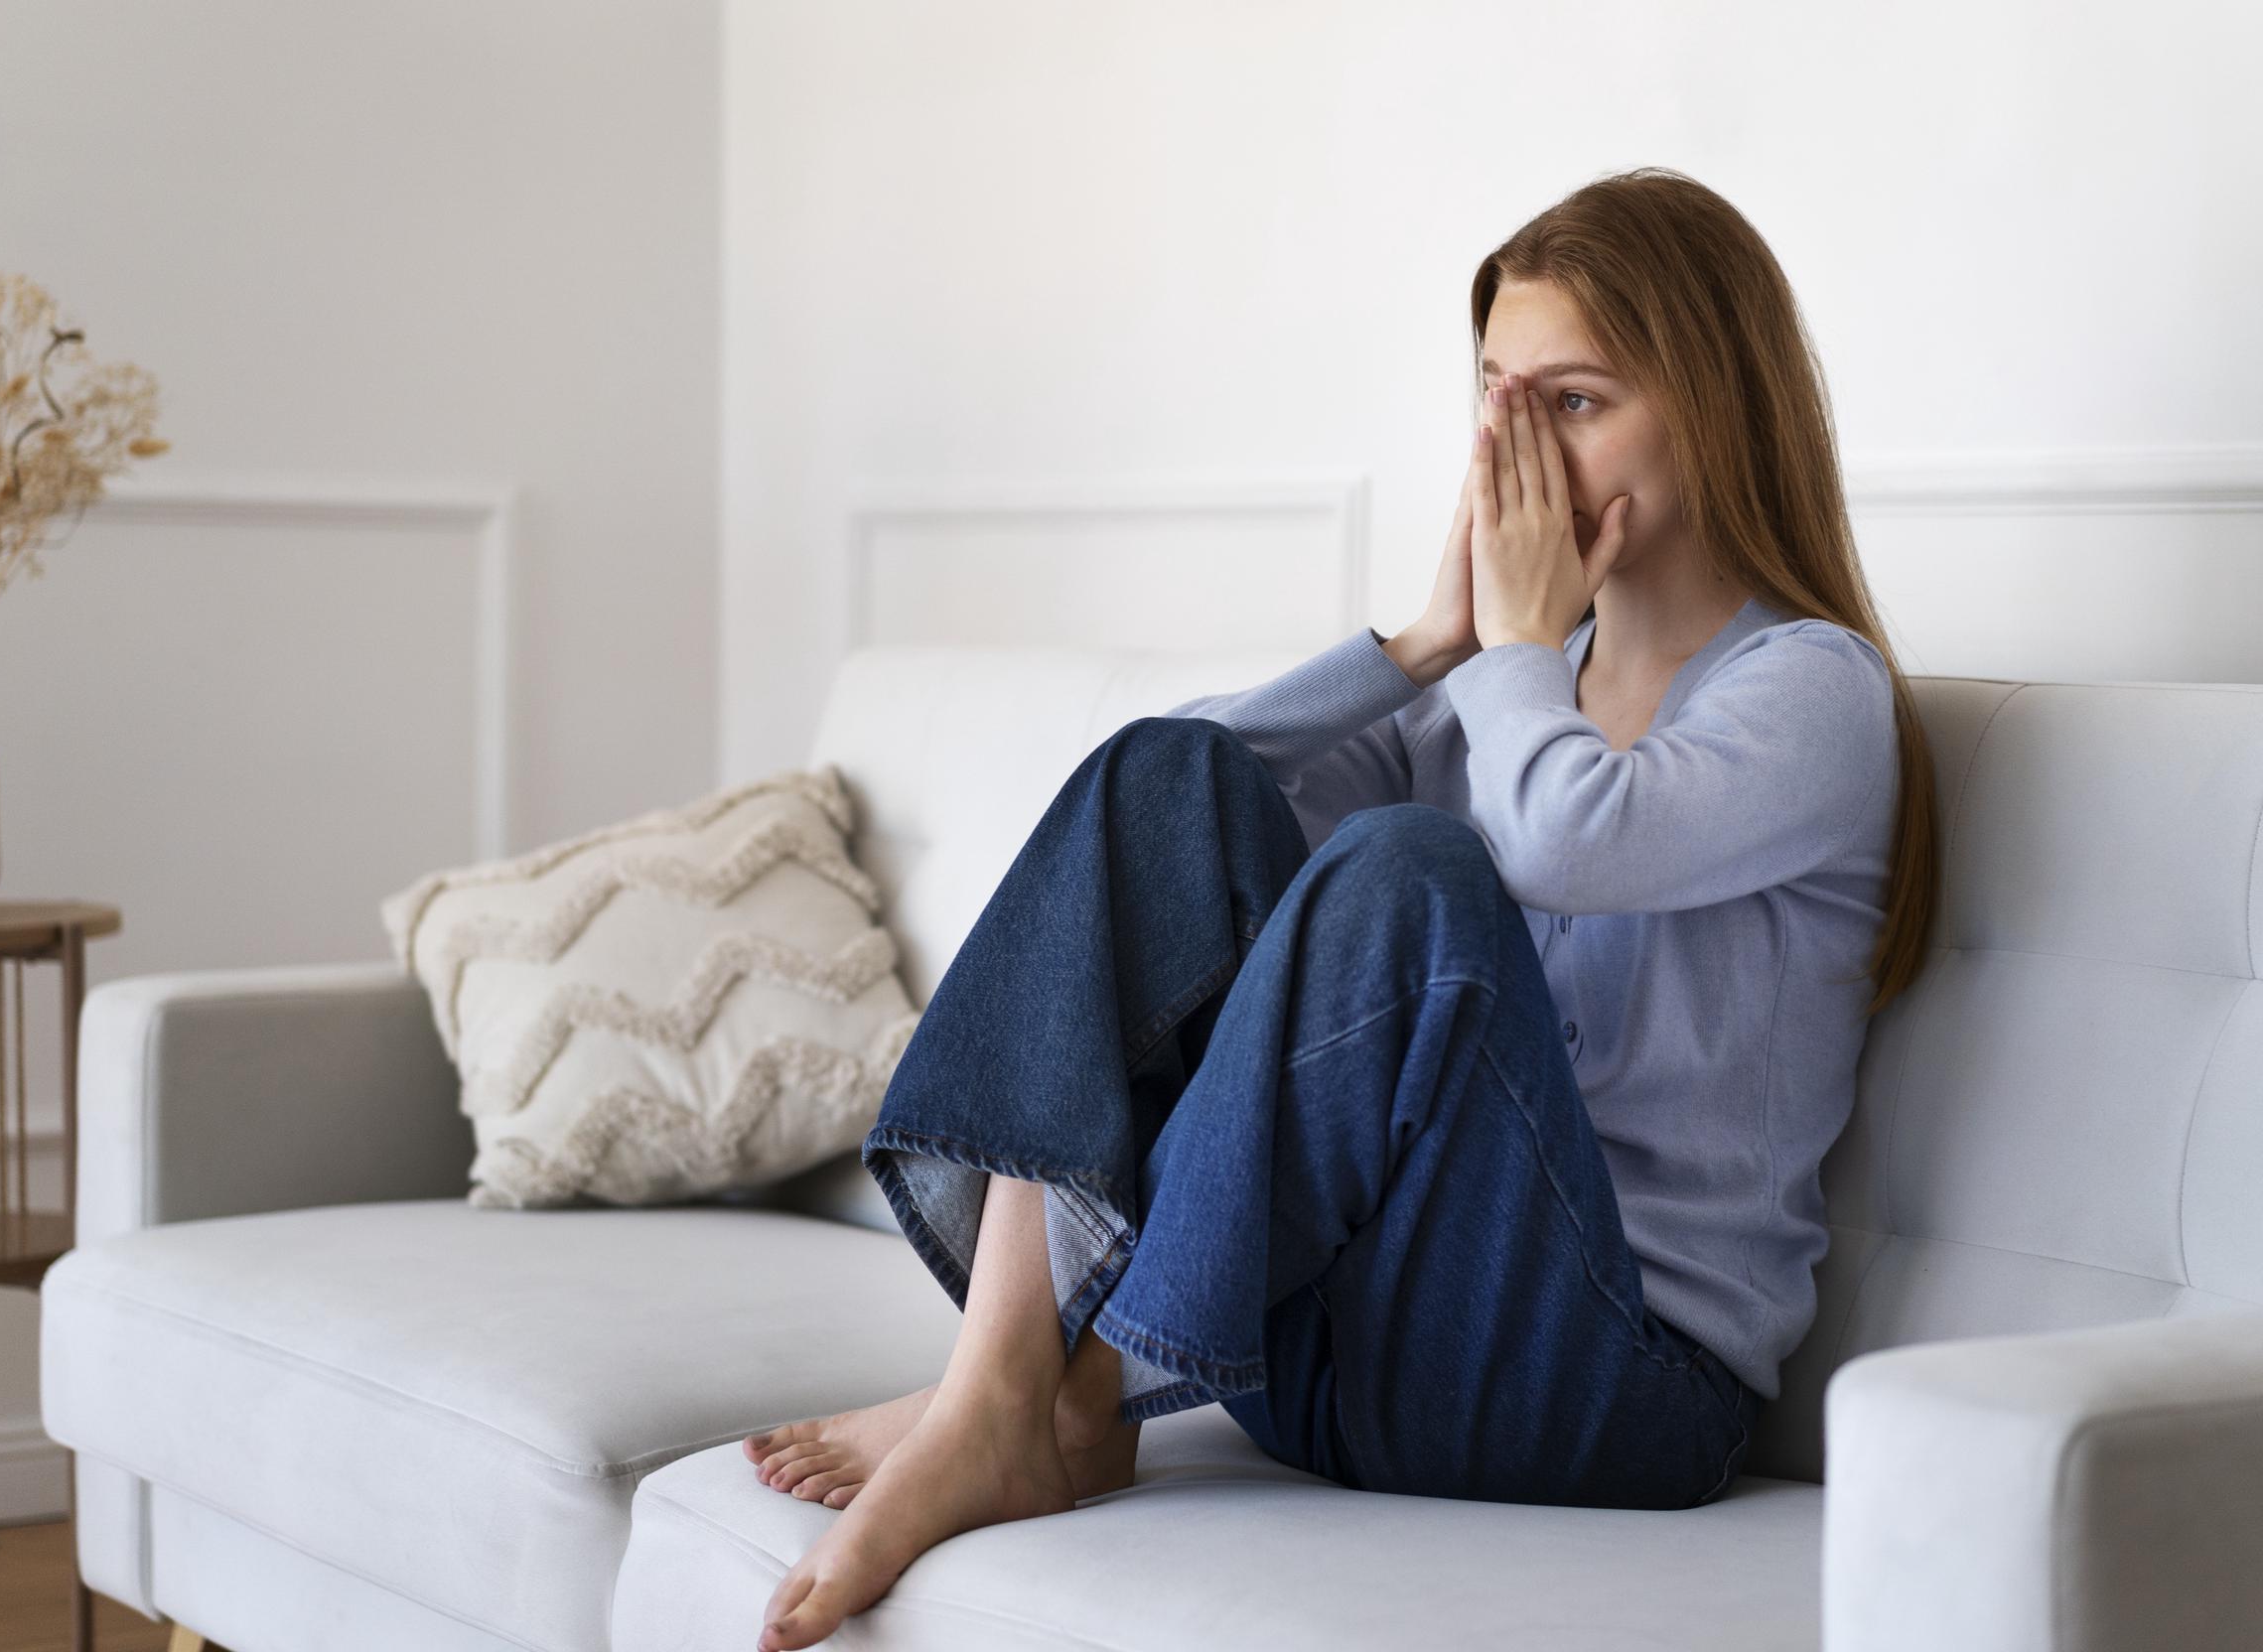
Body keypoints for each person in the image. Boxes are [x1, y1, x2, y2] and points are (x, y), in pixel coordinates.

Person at [743, 165, 1940, 1652]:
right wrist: (1424, 641)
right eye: (1498, 402)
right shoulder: (1491, 691)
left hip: (1613, 1396)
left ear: (1713, 404)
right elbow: (1175, 797)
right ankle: (1008, 1386)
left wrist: (1503, 649)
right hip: (1321, 1361)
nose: (1522, 453)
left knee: (1405, 874)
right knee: (1165, 776)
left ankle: (1067, 1388)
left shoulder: (1809, 689)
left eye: (1573, 403)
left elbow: (1571, 841)